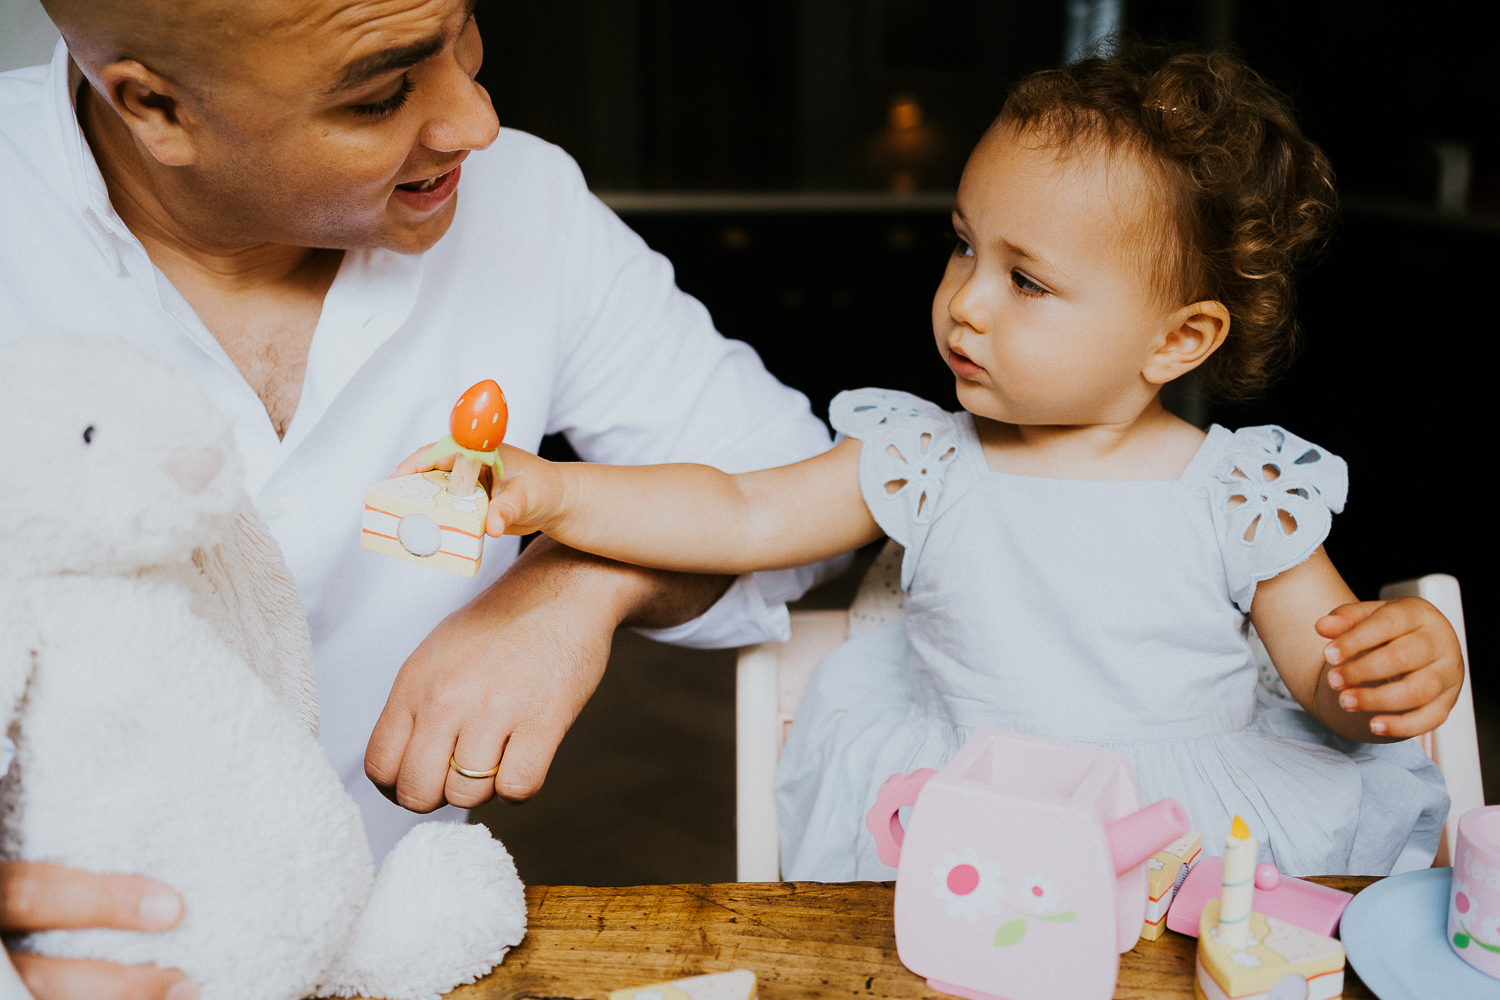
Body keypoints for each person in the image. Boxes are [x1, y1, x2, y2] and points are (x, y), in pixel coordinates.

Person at [439, 42, 1465, 879]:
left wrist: (1392, 664)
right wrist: (560, 492)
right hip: (969, 836)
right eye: (964, 244)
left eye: (1028, 280)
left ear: (1178, 341)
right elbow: (741, 514)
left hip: (1181, 845)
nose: (964, 299)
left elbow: (1326, 678)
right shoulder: (925, 457)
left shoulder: (1236, 493)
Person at [0, 1, 838, 996]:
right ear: (155, 108)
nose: (475, 119)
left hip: (404, 951)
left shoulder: (525, 200)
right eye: (382, 93)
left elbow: (789, 487)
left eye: (464, 34)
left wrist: (574, 580)